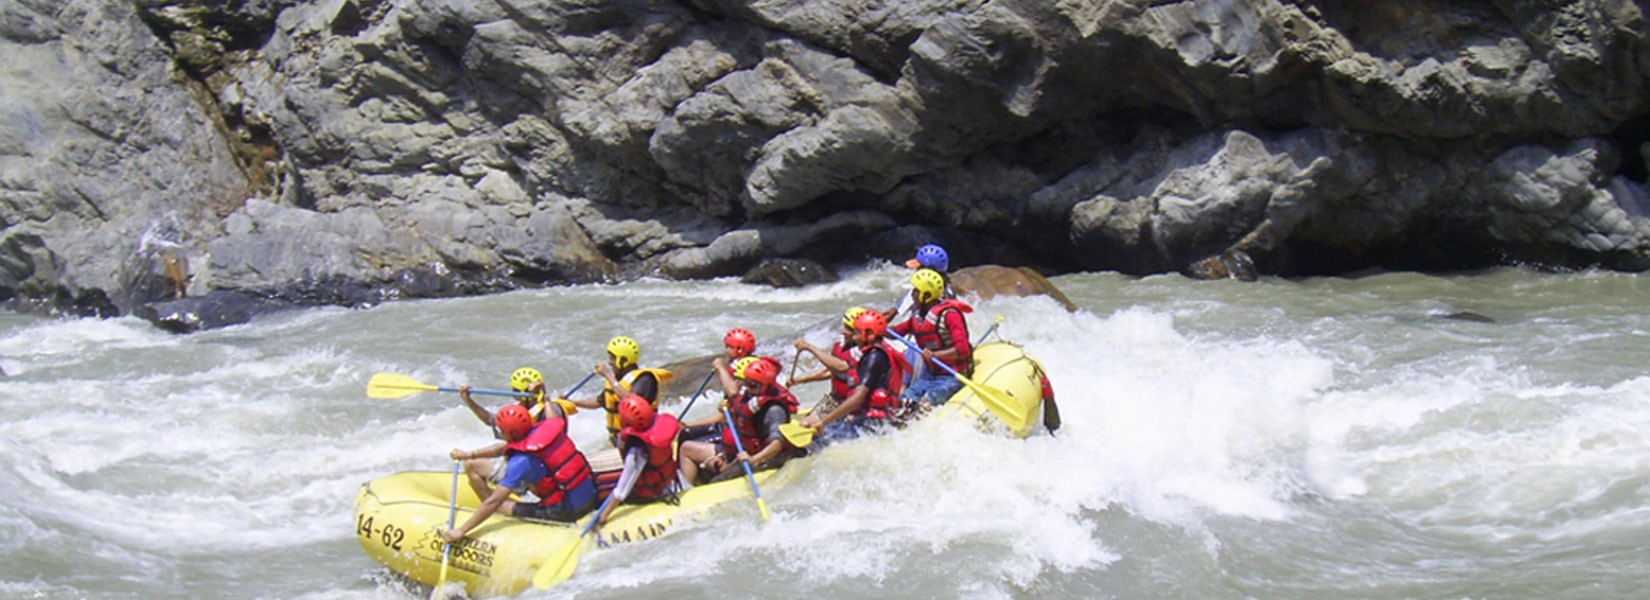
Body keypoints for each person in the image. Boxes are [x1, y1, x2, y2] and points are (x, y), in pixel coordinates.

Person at [443, 404, 598, 542]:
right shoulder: (549, 428)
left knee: (500, 505)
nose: (500, 433)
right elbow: (505, 447)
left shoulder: (521, 463)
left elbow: (494, 502)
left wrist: (461, 531)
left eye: (501, 431)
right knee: (475, 466)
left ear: (513, 434)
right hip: (591, 496)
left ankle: (492, 516)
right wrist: (470, 455)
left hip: (564, 511)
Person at [457, 367, 579, 493]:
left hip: (534, 473)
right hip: (539, 468)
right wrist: (469, 400)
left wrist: (469, 454)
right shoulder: (537, 409)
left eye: (515, 391)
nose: (514, 395)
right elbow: (491, 420)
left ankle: (496, 506)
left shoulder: (549, 410)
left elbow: (554, 427)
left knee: (471, 466)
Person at [680, 356, 800, 483]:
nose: (748, 388)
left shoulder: (774, 410)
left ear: (766, 386)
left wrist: (753, 459)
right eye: (746, 383)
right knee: (687, 448)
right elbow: (738, 419)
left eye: (753, 385)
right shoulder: (749, 397)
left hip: (759, 457)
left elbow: (777, 444)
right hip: (739, 450)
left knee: (717, 481)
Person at [798, 310, 908, 446]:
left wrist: (824, 421)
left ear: (870, 334)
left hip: (874, 425)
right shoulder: (866, 355)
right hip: (863, 419)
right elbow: (842, 369)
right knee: (817, 435)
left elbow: (857, 398)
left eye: (856, 332)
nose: (854, 338)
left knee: (818, 440)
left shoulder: (875, 358)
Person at [593, 395, 683, 530]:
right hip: (668, 483)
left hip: (650, 494)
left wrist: (602, 518)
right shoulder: (657, 428)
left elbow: (621, 493)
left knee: (602, 490)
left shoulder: (636, 452)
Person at [566, 336, 672, 446]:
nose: (610, 362)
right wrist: (574, 402)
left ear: (624, 361)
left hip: (640, 439)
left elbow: (633, 402)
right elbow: (599, 401)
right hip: (617, 439)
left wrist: (608, 375)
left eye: (612, 358)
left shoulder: (645, 379)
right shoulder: (618, 380)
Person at [891, 268, 974, 407]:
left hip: (954, 375)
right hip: (932, 375)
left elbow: (963, 349)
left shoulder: (950, 315)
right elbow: (898, 331)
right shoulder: (919, 316)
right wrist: (878, 327)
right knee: (906, 400)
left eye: (916, 291)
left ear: (927, 295)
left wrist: (936, 354)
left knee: (926, 403)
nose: (912, 295)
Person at [790, 307, 871, 413]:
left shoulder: (865, 352)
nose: (844, 331)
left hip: (854, 405)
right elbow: (830, 371)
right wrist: (800, 380)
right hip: (835, 399)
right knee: (807, 422)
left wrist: (809, 347)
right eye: (845, 327)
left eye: (849, 329)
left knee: (816, 424)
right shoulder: (840, 344)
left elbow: (842, 367)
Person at [886, 244, 956, 324]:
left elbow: (890, 314)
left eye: (918, 268)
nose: (915, 271)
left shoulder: (919, 291)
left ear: (928, 270)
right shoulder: (947, 291)